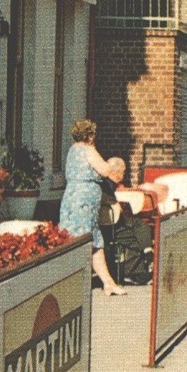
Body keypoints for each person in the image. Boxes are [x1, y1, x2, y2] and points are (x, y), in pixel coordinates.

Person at [57, 118, 127, 295]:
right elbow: (105, 170)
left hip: (72, 197)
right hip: (84, 201)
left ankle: (107, 283)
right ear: (90, 135)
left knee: (85, 239)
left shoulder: (73, 150)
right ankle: (75, 281)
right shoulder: (88, 150)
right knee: (88, 239)